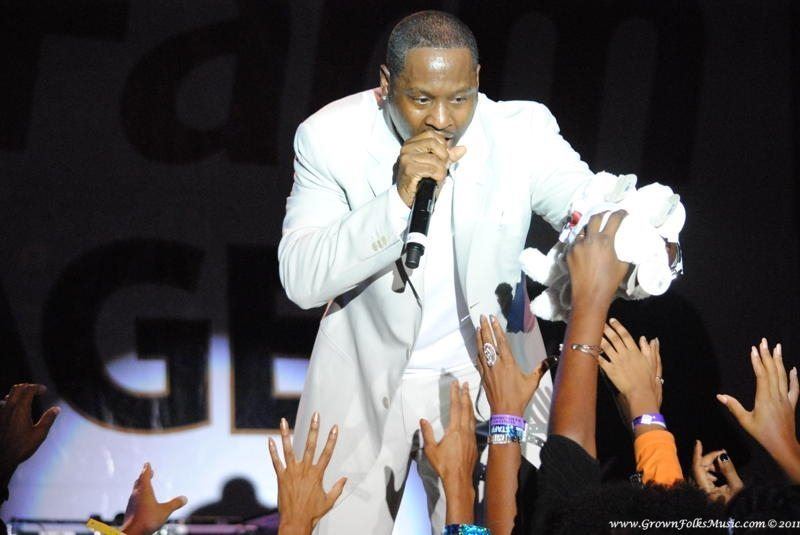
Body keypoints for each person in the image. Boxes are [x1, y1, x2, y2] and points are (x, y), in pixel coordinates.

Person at [278, 10, 642, 533]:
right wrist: (396, 202)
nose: (443, 119)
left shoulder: (520, 132)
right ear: (386, 84)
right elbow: (301, 279)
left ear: (477, 80)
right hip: (362, 377)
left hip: (488, 379)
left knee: (510, 525)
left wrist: (647, 244)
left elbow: (591, 212)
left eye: (460, 98)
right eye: (421, 99)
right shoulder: (330, 137)